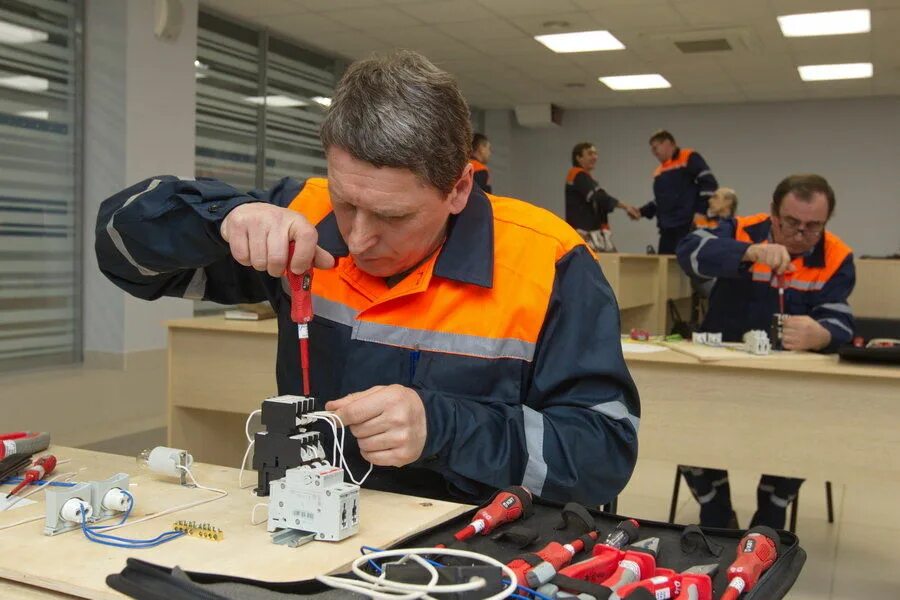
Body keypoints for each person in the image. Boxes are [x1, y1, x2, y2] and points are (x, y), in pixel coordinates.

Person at [95, 50, 639, 506]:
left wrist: (445, 426)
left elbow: (602, 455)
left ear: (459, 188)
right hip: (308, 526)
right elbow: (122, 249)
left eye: (393, 217)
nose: (356, 239)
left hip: (468, 549)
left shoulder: (551, 262)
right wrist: (224, 221)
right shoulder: (300, 217)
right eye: (345, 202)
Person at [675, 173, 855, 529]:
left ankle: (771, 510)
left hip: (792, 386)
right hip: (719, 375)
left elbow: (842, 321)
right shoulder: (742, 229)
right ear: (774, 213)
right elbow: (688, 252)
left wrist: (821, 334)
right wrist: (749, 252)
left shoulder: (837, 255)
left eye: (813, 226)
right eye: (792, 223)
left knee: (814, 428)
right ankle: (716, 509)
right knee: (678, 419)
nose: (801, 234)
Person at [634, 130, 718, 254]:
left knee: (686, 265)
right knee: (665, 266)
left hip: (688, 225)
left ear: (669, 143)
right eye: (652, 149)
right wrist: (641, 212)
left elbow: (709, 184)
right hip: (667, 228)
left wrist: (701, 211)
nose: (654, 152)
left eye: (656, 147)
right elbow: (661, 201)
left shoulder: (688, 157)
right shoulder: (659, 172)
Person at [565, 142, 637, 253]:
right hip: (583, 234)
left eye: (595, 154)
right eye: (590, 154)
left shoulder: (586, 179)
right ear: (578, 158)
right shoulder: (577, 175)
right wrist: (626, 206)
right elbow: (599, 198)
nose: (594, 157)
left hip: (590, 233)